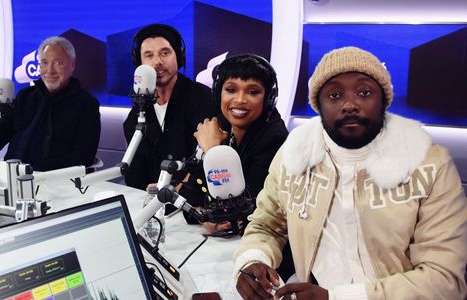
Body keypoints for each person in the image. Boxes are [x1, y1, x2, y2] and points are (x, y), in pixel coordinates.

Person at [234, 46, 467, 300]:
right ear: (318, 106)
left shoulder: (429, 164)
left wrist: (336, 298)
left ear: (383, 101)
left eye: (364, 92)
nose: (350, 104)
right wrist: (251, 260)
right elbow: (266, 226)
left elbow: (445, 279)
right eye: (334, 94)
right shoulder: (294, 154)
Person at [179, 54, 289, 236]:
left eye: (253, 92)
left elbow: (239, 215)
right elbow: (189, 195)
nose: (239, 99)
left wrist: (213, 152)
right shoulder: (219, 125)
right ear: (218, 93)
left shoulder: (274, 139)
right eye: (231, 90)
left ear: (268, 98)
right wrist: (203, 216)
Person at [0, 36, 101, 171]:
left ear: (72, 65)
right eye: (44, 62)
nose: (50, 70)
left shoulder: (87, 104)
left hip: (56, 184)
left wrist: (34, 171)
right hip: (11, 178)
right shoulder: (25, 96)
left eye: (58, 63)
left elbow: (84, 156)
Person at [123, 23, 215, 190]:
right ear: (140, 63)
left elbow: (210, 158)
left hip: (195, 200)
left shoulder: (203, 98)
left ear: (178, 57)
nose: (157, 62)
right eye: (148, 55)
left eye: (165, 53)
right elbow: (134, 172)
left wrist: (183, 188)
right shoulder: (136, 115)